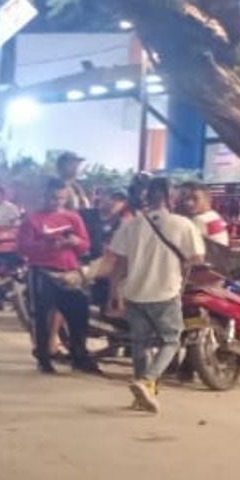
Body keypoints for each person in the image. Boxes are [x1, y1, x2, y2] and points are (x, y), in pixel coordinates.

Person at [96, 177, 205, 412]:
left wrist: (114, 295)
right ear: (171, 196)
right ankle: (146, 381)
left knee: (139, 344)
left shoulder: (131, 225)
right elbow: (197, 259)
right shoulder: (183, 224)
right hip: (165, 292)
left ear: (148, 196)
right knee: (171, 340)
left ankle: (140, 397)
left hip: (134, 293)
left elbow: (118, 264)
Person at [18, 180, 99, 375]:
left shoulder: (73, 218)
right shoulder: (32, 220)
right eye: (53, 197)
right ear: (45, 196)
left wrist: (73, 241)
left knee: (79, 313)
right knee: (42, 316)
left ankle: (79, 356)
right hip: (42, 272)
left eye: (61, 198)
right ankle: (44, 358)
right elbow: (23, 248)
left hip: (68, 273)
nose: (57, 201)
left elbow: (85, 245)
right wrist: (48, 245)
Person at [178, 181, 231, 248]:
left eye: (195, 199)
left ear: (207, 199)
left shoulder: (199, 219)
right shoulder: (213, 215)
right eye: (185, 199)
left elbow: (189, 247)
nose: (189, 203)